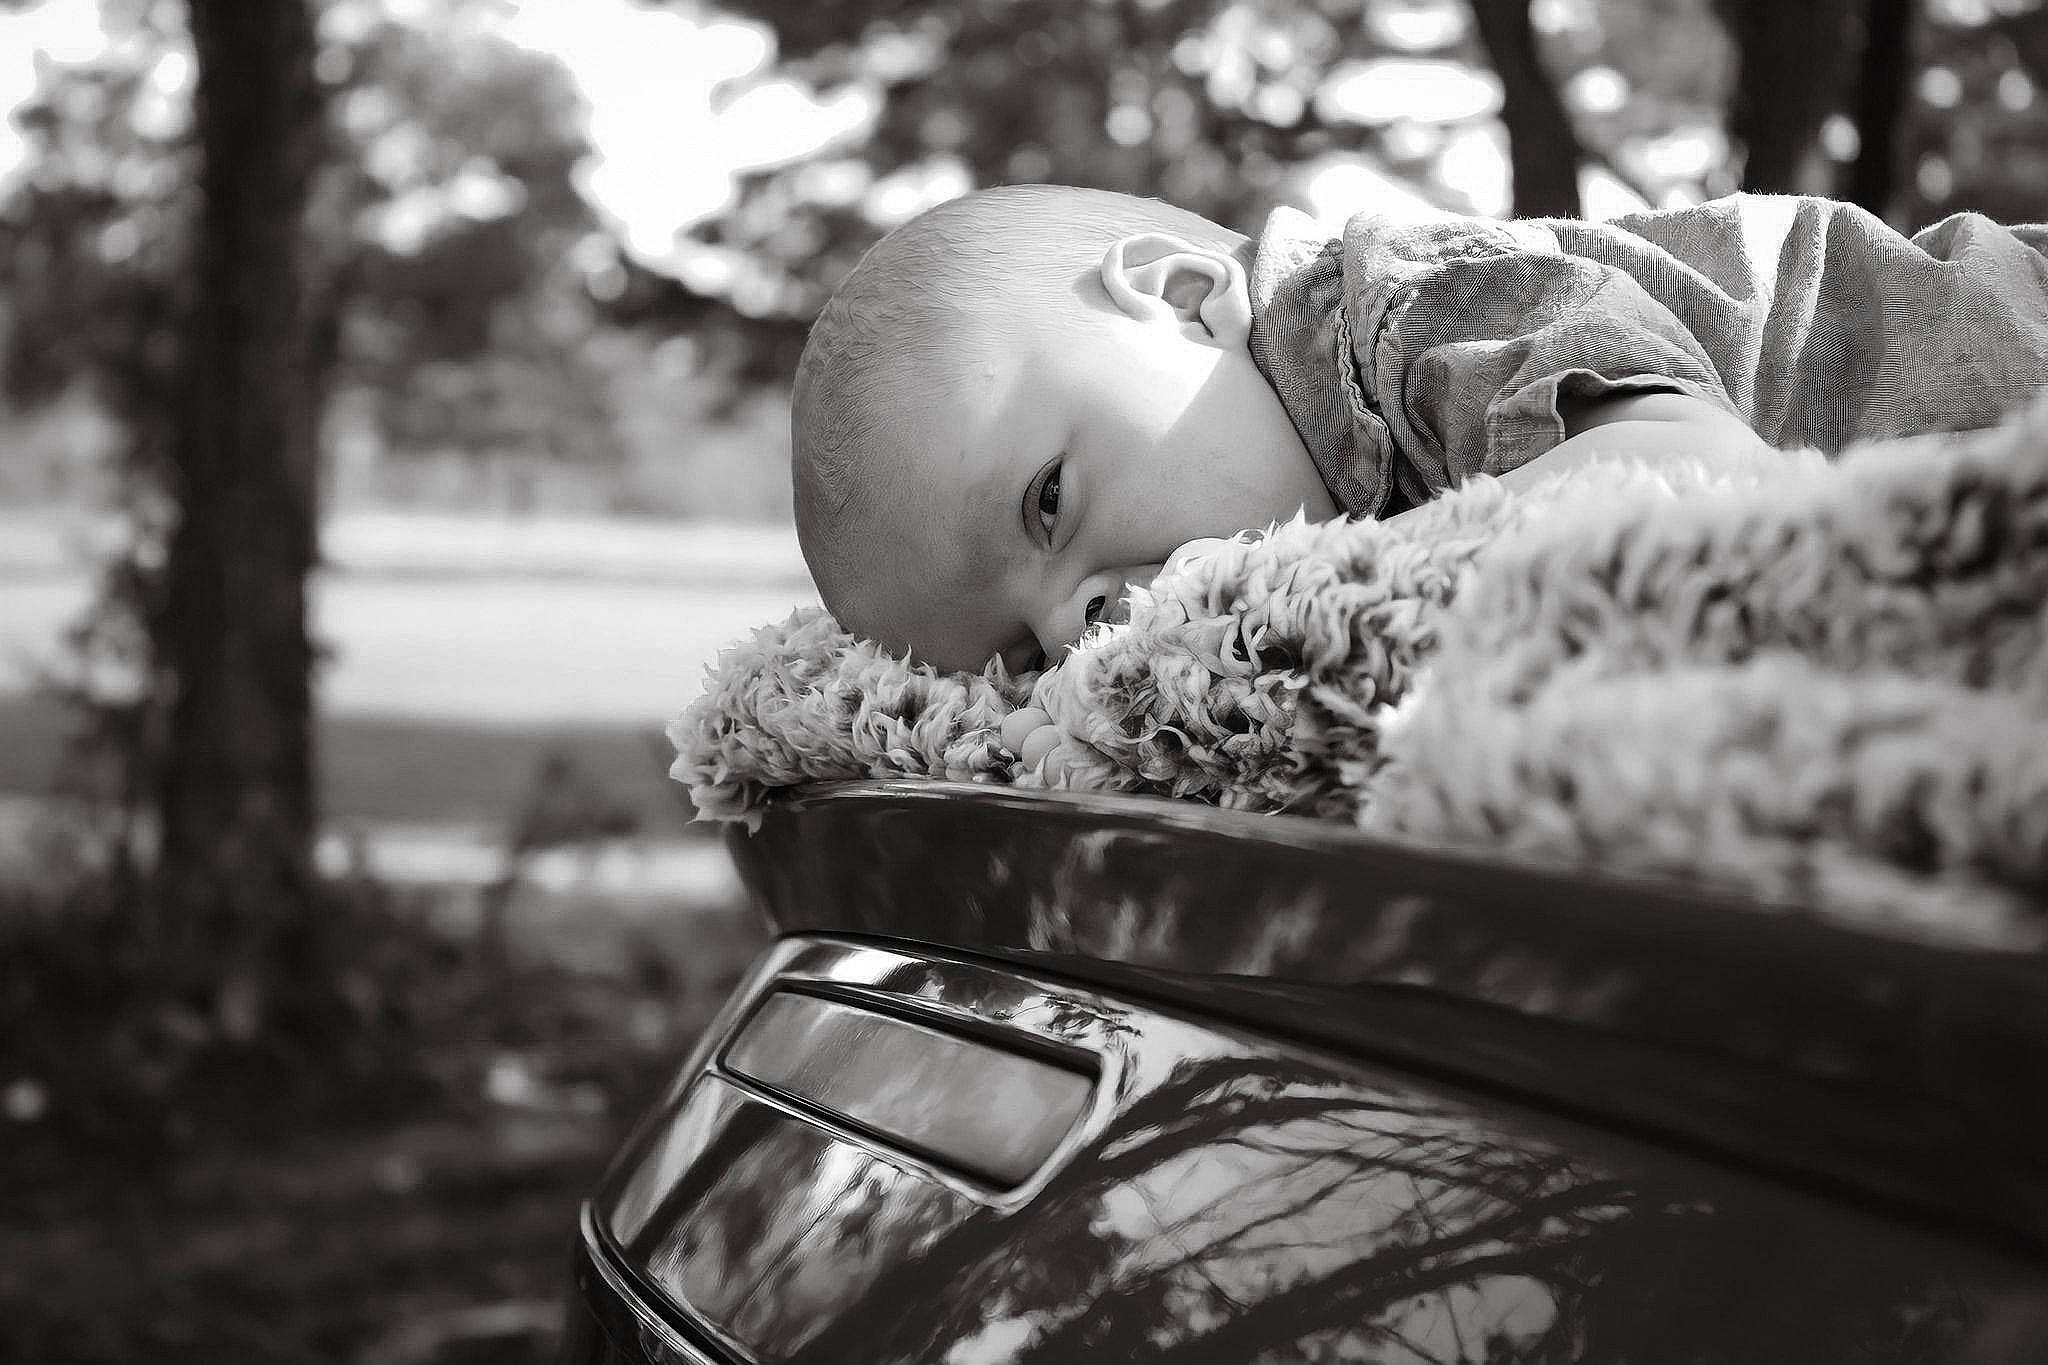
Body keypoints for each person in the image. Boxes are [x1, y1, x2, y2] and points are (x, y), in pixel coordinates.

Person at [790, 183, 2048, 677]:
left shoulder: (1394, 311)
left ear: (1181, 301)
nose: (1075, 628)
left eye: (1049, 506)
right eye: (1016, 654)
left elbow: (1683, 479)